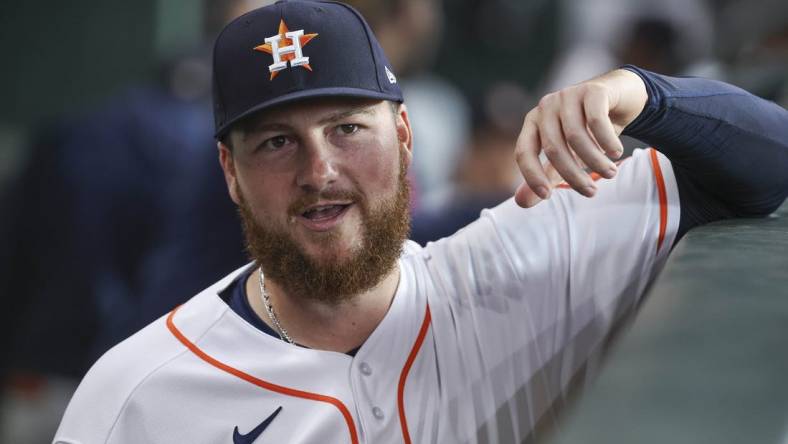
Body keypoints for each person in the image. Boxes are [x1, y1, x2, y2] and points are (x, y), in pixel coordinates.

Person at [53, 1, 788, 443]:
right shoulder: (137, 396)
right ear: (230, 174)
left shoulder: (519, 262)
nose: (319, 171)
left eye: (347, 128)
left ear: (405, 137)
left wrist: (640, 93)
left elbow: (769, 161)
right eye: (277, 142)